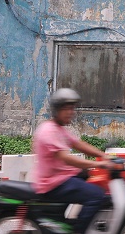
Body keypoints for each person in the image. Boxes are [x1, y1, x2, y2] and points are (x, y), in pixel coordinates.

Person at [32, 88, 111, 233]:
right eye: (66, 108)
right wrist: (99, 163)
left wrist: (104, 155)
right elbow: (66, 158)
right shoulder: (49, 131)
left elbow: (78, 144)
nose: (71, 112)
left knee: (87, 174)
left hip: (60, 177)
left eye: (72, 108)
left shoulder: (59, 128)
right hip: (54, 183)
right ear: (56, 110)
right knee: (96, 195)